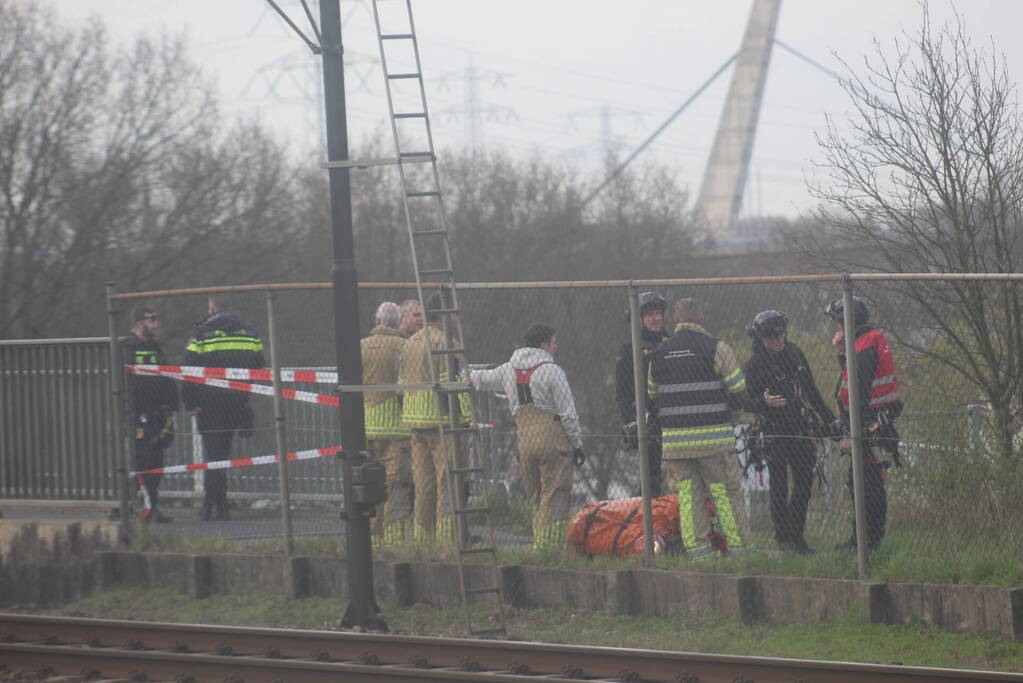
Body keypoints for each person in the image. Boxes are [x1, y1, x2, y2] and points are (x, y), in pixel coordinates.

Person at [648, 297, 751, 557]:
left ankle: (700, 557)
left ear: (675, 320)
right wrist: (734, 415)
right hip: (713, 441)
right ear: (701, 319)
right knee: (724, 495)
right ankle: (740, 553)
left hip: (675, 444)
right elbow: (739, 390)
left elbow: (651, 394)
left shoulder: (658, 354)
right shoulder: (716, 348)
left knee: (688, 499)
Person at [469, 323, 585, 550]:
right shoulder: (553, 371)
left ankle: (539, 544)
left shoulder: (508, 370)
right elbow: (568, 414)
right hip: (553, 441)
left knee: (538, 497)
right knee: (556, 493)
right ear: (544, 345)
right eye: (554, 342)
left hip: (525, 442)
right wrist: (577, 443)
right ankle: (551, 549)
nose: (556, 346)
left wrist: (464, 373)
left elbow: (482, 379)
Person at [743, 310, 835, 554]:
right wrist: (763, 403)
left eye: (780, 335)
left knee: (805, 480)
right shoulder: (754, 365)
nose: (778, 341)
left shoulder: (795, 353)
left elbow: (811, 390)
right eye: (771, 338)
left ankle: (797, 534)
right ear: (760, 339)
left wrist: (830, 419)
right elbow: (743, 401)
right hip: (773, 429)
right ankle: (783, 536)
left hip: (800, 425)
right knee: (780, 485)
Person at [825, 296, 902, 551]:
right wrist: (842, 353)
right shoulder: (868, 341)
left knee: (864, 484)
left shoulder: (862, 348)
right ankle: (864, 540)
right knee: (863, 482)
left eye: (837, 323)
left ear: (843, 322)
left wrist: (849, 432)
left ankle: (866, 542)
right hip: (873, 421)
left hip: (867, 425)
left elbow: (856, 395)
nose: (835, 328)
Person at [182, 295, 265, 521]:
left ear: (211, 307)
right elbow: (259, 363)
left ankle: (213, 505)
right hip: (238, 402)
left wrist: (190, 402)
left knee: (214, 454)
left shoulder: (202, 332)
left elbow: (189, 367)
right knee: (222, 454)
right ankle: (218, 503)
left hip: (209, 405)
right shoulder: (249, 332)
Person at [399, 290, 470, 542]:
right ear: (442, 315)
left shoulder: (409, 343)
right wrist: (467, 418)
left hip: (415, 424)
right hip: (443, 424)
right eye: (454, 313)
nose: (457, 319)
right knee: (447, 485)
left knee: (423, 487)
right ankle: (447, 540)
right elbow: (454, 383)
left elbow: (401, 384)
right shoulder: (447, 343)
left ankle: (421, 540)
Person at [361, 301, 412, 545]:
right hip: (396, 428)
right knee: (394, 486)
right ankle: (394, 535)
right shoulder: (405, 347)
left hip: (367, 427)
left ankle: (373, 534)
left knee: (370, 483)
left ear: (376, 320)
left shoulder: (360, 347)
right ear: (399, 321)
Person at [123, 305, 179, 524]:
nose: (156, 323)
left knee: (156, 460)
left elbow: (166, 375)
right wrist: (127, 410)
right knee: (141, 459)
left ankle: (153, 507)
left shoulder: (155, 347)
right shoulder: (128, 347)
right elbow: (124, 382)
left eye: (156, 319)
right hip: (138, 413)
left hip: (158, 413)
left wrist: (172, 405)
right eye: (151, 319)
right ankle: (137, 508)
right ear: (138, 323)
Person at [615, 291, 670, 496]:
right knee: (651, 477)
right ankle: (649, 522)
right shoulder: (629, 348)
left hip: (672, 418)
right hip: (646, 420)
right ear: (638, 319)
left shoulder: (670, 342)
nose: (655, 318)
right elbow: (622, 391)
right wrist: (630, 421)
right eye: (649, 315)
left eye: (658, 313)